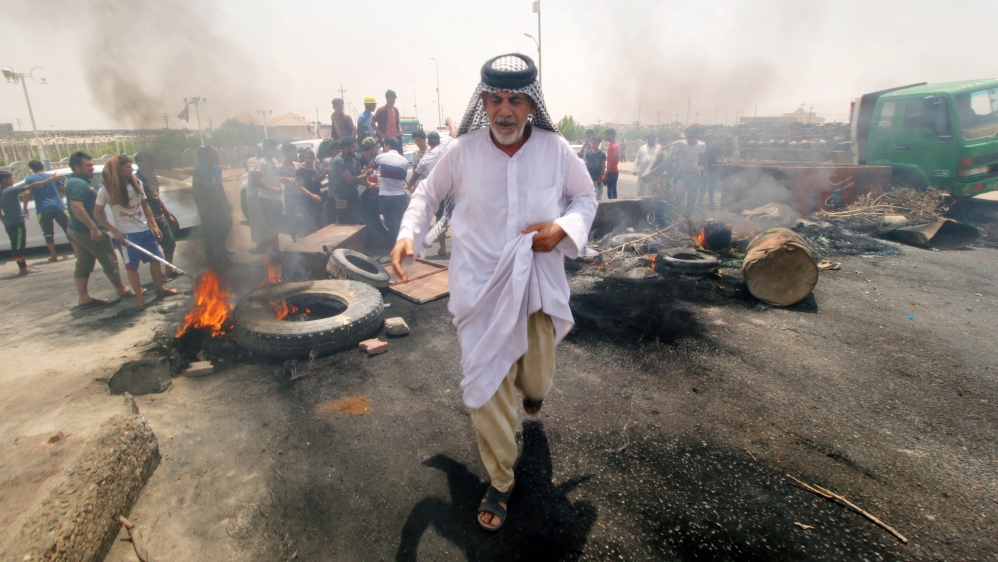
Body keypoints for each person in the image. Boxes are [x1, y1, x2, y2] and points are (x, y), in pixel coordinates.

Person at [391, 53, 597, 532]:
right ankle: (501, 478)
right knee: (486, 387)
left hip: (537, 286)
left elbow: (585, 199)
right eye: (496, 99)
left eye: (516, 100)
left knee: (538, 381)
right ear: (483, 102)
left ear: (531, 105)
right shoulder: (460, 152)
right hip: (479, 291)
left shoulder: (555, 149)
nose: (505, 110)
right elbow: (425, 196)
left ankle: (531, 396)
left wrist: (562, 230)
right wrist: (408, 234)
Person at [93, 155, 180, 308]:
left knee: (155, 259)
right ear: (118, 170)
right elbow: (97, 214)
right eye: (128, 167)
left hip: (144, 230)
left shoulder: (137, 183)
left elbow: (145, 205)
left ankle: (159, 289)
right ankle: (140, 299)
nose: (132, 169)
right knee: (132, 267)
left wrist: (154, 226)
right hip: (127, 234)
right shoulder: (106, 190)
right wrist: (114, 231)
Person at [64, 151, 131, 306]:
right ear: (76, 166)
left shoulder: (77, 181)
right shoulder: (78, 184)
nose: (92, 168)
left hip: (77, 230)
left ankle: (83, 297)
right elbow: (77, 208)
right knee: (109, 259)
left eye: (92, 164)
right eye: (88, 165)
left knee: (84, 263)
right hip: (87, 232)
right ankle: (121, 289)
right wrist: (93, 228)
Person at [406, 117, 457, 255]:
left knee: (439, 219)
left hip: (436, 192)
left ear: (428, 142)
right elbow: (453, 132)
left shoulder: (425, 158)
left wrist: (409, 185)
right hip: (451, 190)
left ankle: (443, 248)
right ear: (439, 141)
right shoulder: (445, 147)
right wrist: (449, 122)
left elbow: (415, 175)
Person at [1, 171, 61, 275]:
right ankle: (23, 269)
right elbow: (33, 186)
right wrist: (50, 180)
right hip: (17, 223)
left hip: (9, 224)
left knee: (16, 245)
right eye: (11, 178)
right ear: (4, 180)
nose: (13, 180)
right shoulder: (10, 191)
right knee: (19, 246)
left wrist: (4, 221)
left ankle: (24, 266)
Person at [134, 152, 178, 277]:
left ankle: (169, 270)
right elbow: (140, 203)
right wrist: (150, 223)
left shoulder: (152, 177)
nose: (152, 164)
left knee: (170, 243)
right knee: (154, 250)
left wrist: (168, 214)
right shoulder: (137, 179)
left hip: (160, 217)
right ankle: (158, 278)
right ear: (140, 163)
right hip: (149, 219)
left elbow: (156, 197)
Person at [24, 160, 76, 261]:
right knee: (68, 229)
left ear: (32, 169)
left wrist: (25, 208)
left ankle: (53, 256)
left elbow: (26, 193)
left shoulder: (30, 179)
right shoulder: (53, 176)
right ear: (42, 166)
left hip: (43, 209)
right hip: (59, 206)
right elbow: (62, 189)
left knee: (48, 233)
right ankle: (76, 252)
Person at [192, 145, 234, 268]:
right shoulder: (198, 171)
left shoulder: (217, 168)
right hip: (207, 206)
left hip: (219, 204)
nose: (215, 156)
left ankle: (222, 254)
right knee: (210, 233)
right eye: (212, 154)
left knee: (226, 226)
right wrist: (201, 208)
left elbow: (220, 186)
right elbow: (196, 191)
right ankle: (211, 260)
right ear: (204, 156)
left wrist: (226, 201)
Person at [252, 139, 285, 260]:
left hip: (275, 198)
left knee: (276, 226)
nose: (277, 150)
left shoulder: (274, 161)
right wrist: (271, 188)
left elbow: (273, 177)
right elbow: (255, 180)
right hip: (267, 199)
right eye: (275, 148)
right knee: (273, 226)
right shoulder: (262, 162)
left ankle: (275, 250)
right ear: (268, 149)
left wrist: (284, 178)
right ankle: (274, 253)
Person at [374, 137, 409, 242]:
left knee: (390, 222)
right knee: (402, 221)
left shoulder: (380, 157)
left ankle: (396, 241)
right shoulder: (404, 161)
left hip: (385, 196)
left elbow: (373, 167)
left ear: (388, 146)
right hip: (399, 195)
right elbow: (403, 177)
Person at [331, 137, 372, 225]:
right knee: (345, 222)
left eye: (355, 146)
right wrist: (365, 174)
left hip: (353, 194)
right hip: (342, 197)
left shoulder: (354, 158)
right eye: (353, 147)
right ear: (346, 148)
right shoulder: (339, 161)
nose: (356, 149)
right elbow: (350, 179)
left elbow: (357, 175)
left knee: (359, 220)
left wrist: (368, 169)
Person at [358, 137, 389, 250]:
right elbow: (357, 175)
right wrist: (368, 182)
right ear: (372, 148)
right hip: (358, 194)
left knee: (373, 217)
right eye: (375, 147)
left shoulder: (367, 159)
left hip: (366, 192)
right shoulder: (359, 158)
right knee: (364, 219)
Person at [673, 127, 707, 215]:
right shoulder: (680, 143)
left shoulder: (701, 145)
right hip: (682, 176)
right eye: (688, 137)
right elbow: (668, 146)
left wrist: (702, 166)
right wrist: (660, 150)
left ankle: (687, 218)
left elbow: (702, 158)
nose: (689, 139)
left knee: (692, 199)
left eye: (691, 136)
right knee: (678, 197)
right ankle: (675, 218)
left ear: (695, 136)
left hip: (695, 176)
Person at [295, 148, 324, 235]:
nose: (308, 160)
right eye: (306, 158)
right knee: (309, 225)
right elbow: (301, 187)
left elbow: (318, 185)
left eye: (310, 158)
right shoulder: (300, 171)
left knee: (319, 224)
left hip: (318, 201)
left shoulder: (316, 171)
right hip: (307, 202)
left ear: (313, 158)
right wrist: (312, 196)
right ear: (303, 158)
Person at [278, 143, 302, 242]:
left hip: (300, 194)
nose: (295, 153)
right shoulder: (280, 166)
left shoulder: (298, 164)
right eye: (293, 151)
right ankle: (294, 238)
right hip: (290, 195)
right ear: (287, 153)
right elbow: (275, 178)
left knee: (303, 216)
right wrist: (284, 178)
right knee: (291, 217)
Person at [246, 144, 267, 252]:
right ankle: (259, 244)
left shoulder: (270, 160)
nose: (262, 151)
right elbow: (253, 172)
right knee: (257, 220)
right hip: (254, 194)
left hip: (266, 194)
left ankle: (266, 243)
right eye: (260, 149)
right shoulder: (252, 160)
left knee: (266, 220)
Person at [703, 130, 723, 208]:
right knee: (703, 184)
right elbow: (701, 156)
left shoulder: (716, 145)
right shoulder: (703, 146)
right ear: (705, 138)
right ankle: (700, 200)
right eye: (708, 137)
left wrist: (723, 159)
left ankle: (711, 201)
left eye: (711, 137)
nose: (709, 138)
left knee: (712, 184)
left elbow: (720, 153)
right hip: (705, 166)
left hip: (713, 166)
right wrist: (702, 166)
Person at [633, 133, 657, 198]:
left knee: (650, 187)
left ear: (655, 139)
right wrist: (635, 168)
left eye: (653, 138)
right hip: (642, 171)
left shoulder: (658, 148)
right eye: (650, 138)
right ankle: (639, 200)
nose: (651, 140)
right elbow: (638, 158)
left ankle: (648, 202)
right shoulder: (642, 148)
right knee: (641, 186)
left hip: (652, 171)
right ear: (647, 139)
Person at [583, 136, 607, 200]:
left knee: (598, 197)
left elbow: (603, 167)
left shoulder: (602, 154)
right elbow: (586, 166)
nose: (593, 145)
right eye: (592, 143)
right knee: (589, 197)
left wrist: (599, 179)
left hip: (598, 178)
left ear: (599, 143)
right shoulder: (588, 154)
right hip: (590, 178)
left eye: (595, 143)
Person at [600, 128, 620, 200]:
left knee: (611, 193)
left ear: (612, 135)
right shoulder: (612, 145)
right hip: (611, 171)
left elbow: (612, 162)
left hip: (612, 171)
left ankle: (614, 208)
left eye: (607, 135)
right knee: (610, 191)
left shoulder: (614, 146)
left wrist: (605, 174)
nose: (606, 137)